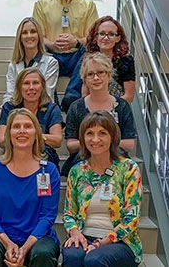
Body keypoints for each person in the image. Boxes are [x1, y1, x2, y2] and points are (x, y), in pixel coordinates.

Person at [0, 108, 60, 267]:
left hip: (37, 237)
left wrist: (25, 248)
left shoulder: (48, 171)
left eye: (28, 126)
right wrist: (8, 243)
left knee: (43, 254)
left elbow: (47, 216)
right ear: (8, 134)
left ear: (37, 133)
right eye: (16, 126)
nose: (22, 131)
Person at [62, 110, 143, 267]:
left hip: (120, 241)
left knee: (95, 259)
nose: (95, 139)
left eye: (102, 133)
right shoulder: (77, 171)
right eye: (90, 133)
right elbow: (69, 213)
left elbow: (131, 218)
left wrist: (100, 243)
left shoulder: (128, 169)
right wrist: (74, 232)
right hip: (85, 235)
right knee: (72, 256)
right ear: (83, 138)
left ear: (112, 137)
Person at [33, 0, 98, 110]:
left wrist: (76, 42)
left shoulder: (88, 5)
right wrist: (52, 44)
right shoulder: (41, 5)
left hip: (77, 56)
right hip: (51, 54)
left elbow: (93, 36)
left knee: (91, 51)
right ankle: (51, 100)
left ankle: (72, 96)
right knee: (38, 49)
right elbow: (38, 35)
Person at [61, 52, 135, 177]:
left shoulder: (122, 106)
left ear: (109, 75)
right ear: (84, 79)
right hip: (83, 161)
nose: (96, 78)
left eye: (100, 72)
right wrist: (95, 145)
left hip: (117, 161)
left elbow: (129, 143)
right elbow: (71, 145)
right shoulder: (76, 107)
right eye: (90, 74)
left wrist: (102, 145)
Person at [0, 67, 63, 169]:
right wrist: (37, 137)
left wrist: (28, 136)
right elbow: (2, 140)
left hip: (43, 155)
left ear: (42, 86)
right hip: (15, 153)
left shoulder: (52, 108)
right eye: (26, 83)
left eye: (36, 83)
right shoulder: (9, 107)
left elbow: (57, 140)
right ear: (20, 87)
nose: (31, 87)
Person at [2, 17, 59, 104]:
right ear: (20, 38)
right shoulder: (13, 65)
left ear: (39, 36)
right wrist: (5, 106)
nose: (29, 36)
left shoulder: (51, 63)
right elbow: (10, 94)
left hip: (42, 109)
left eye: (33, 32)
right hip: (18, 110)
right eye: (24, 32)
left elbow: (47, 95)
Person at [85, 15, 136, 103]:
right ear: (96, 36)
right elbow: (85, 92)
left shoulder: (126, 61)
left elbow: (129, 96)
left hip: (118, 108)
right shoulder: (88, 59)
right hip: (93, 110)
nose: (105, 38)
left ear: (118, 38)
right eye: (102, 34)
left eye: (111, 34)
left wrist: (108, 107)